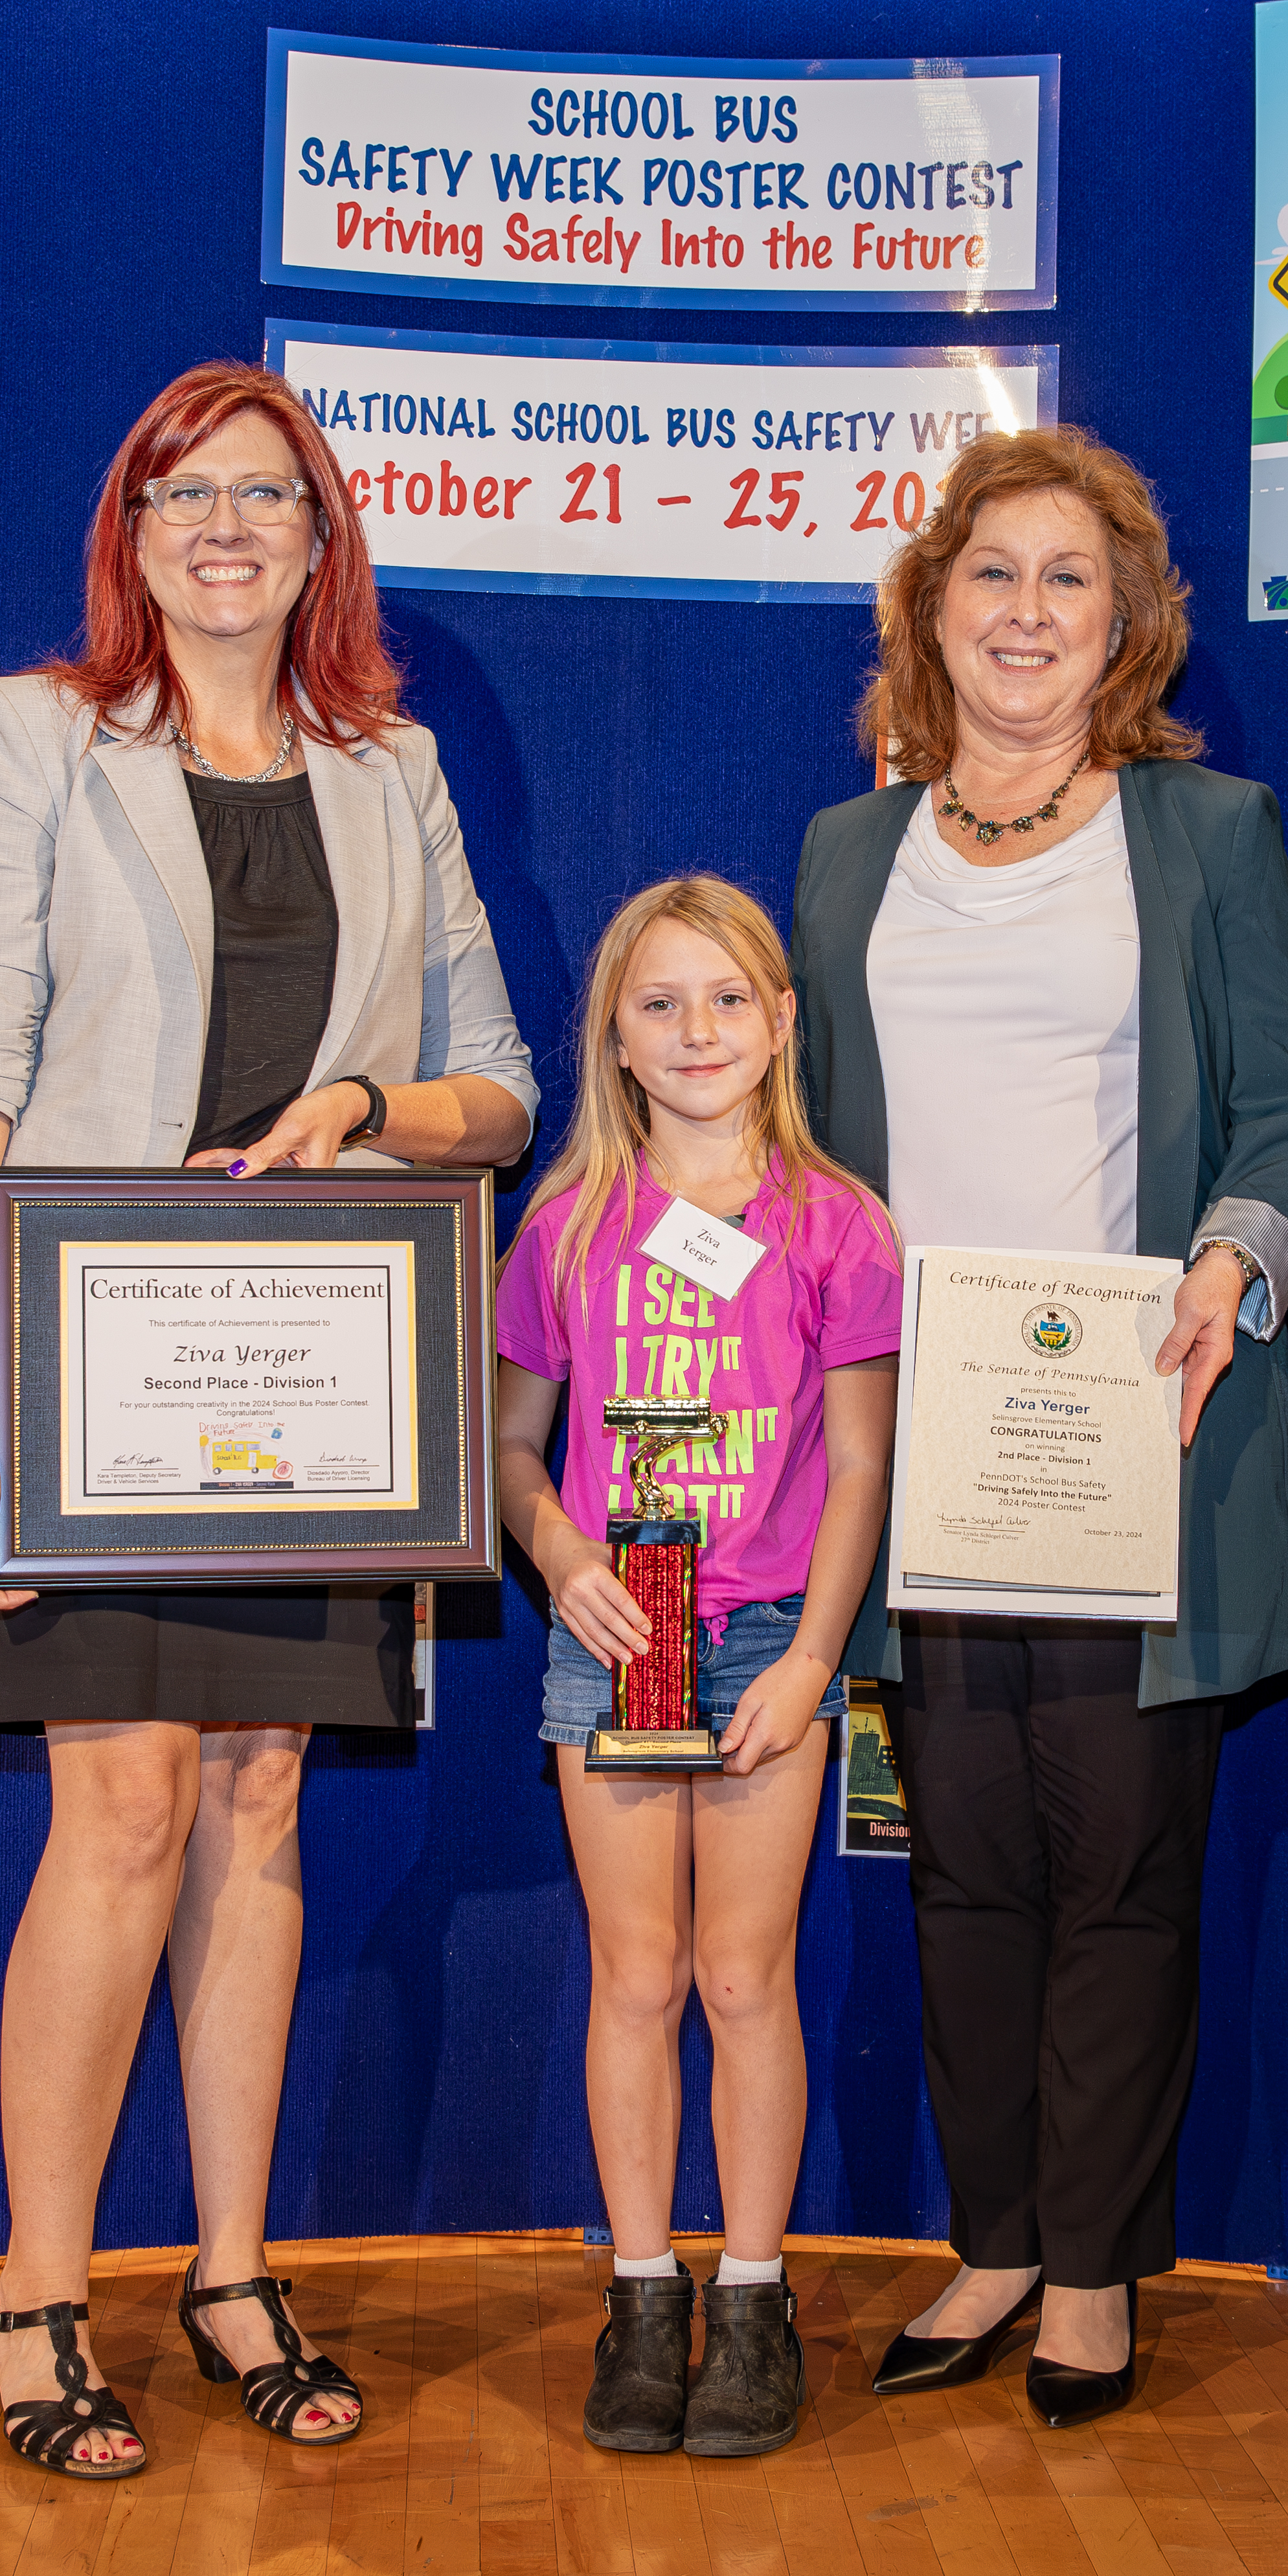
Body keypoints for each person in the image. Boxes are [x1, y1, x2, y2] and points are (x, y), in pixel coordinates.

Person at [0, 359, 540, 2481]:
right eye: (184, 493)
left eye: (269, 492)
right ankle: (39, 2293)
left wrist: (367, 1106)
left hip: (318, 1376)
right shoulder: (31, 734)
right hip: (80, 1380)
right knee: (123, 1815)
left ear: (324, 535)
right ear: (131, 531)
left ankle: (233, 2271)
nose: (227, 526)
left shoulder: (396, 766)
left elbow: (505, 1088)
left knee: (257, 1807)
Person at [788, 424, 1288, 2431]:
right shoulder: (848, 856)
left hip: (1138, 1423)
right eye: (993, 574)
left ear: (1124, 628)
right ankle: (999, 2237)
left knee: (1120, 1858)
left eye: (1069, 582)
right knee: (962, 1865)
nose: (1026, 612)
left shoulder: (1207, 834)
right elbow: (812, 1149)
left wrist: (1231, 1260)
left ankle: (1102, 2265)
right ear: (930, 609)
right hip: (925, 1443)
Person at [489, 876, 902, 2461]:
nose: (697, 1032)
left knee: (745, 1979)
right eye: (660, 1004)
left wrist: (812, 1656)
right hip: (616, 1647)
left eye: (728, 999)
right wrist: (564, 1556)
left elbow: (858, 1467)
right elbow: (514, 1448)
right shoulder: (569, 1225)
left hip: (760, 1649)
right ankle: (643, 2293)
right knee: (636, 1976)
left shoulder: (838, 1223)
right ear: (615, 1034)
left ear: (782, 1020)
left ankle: (751, 2296)